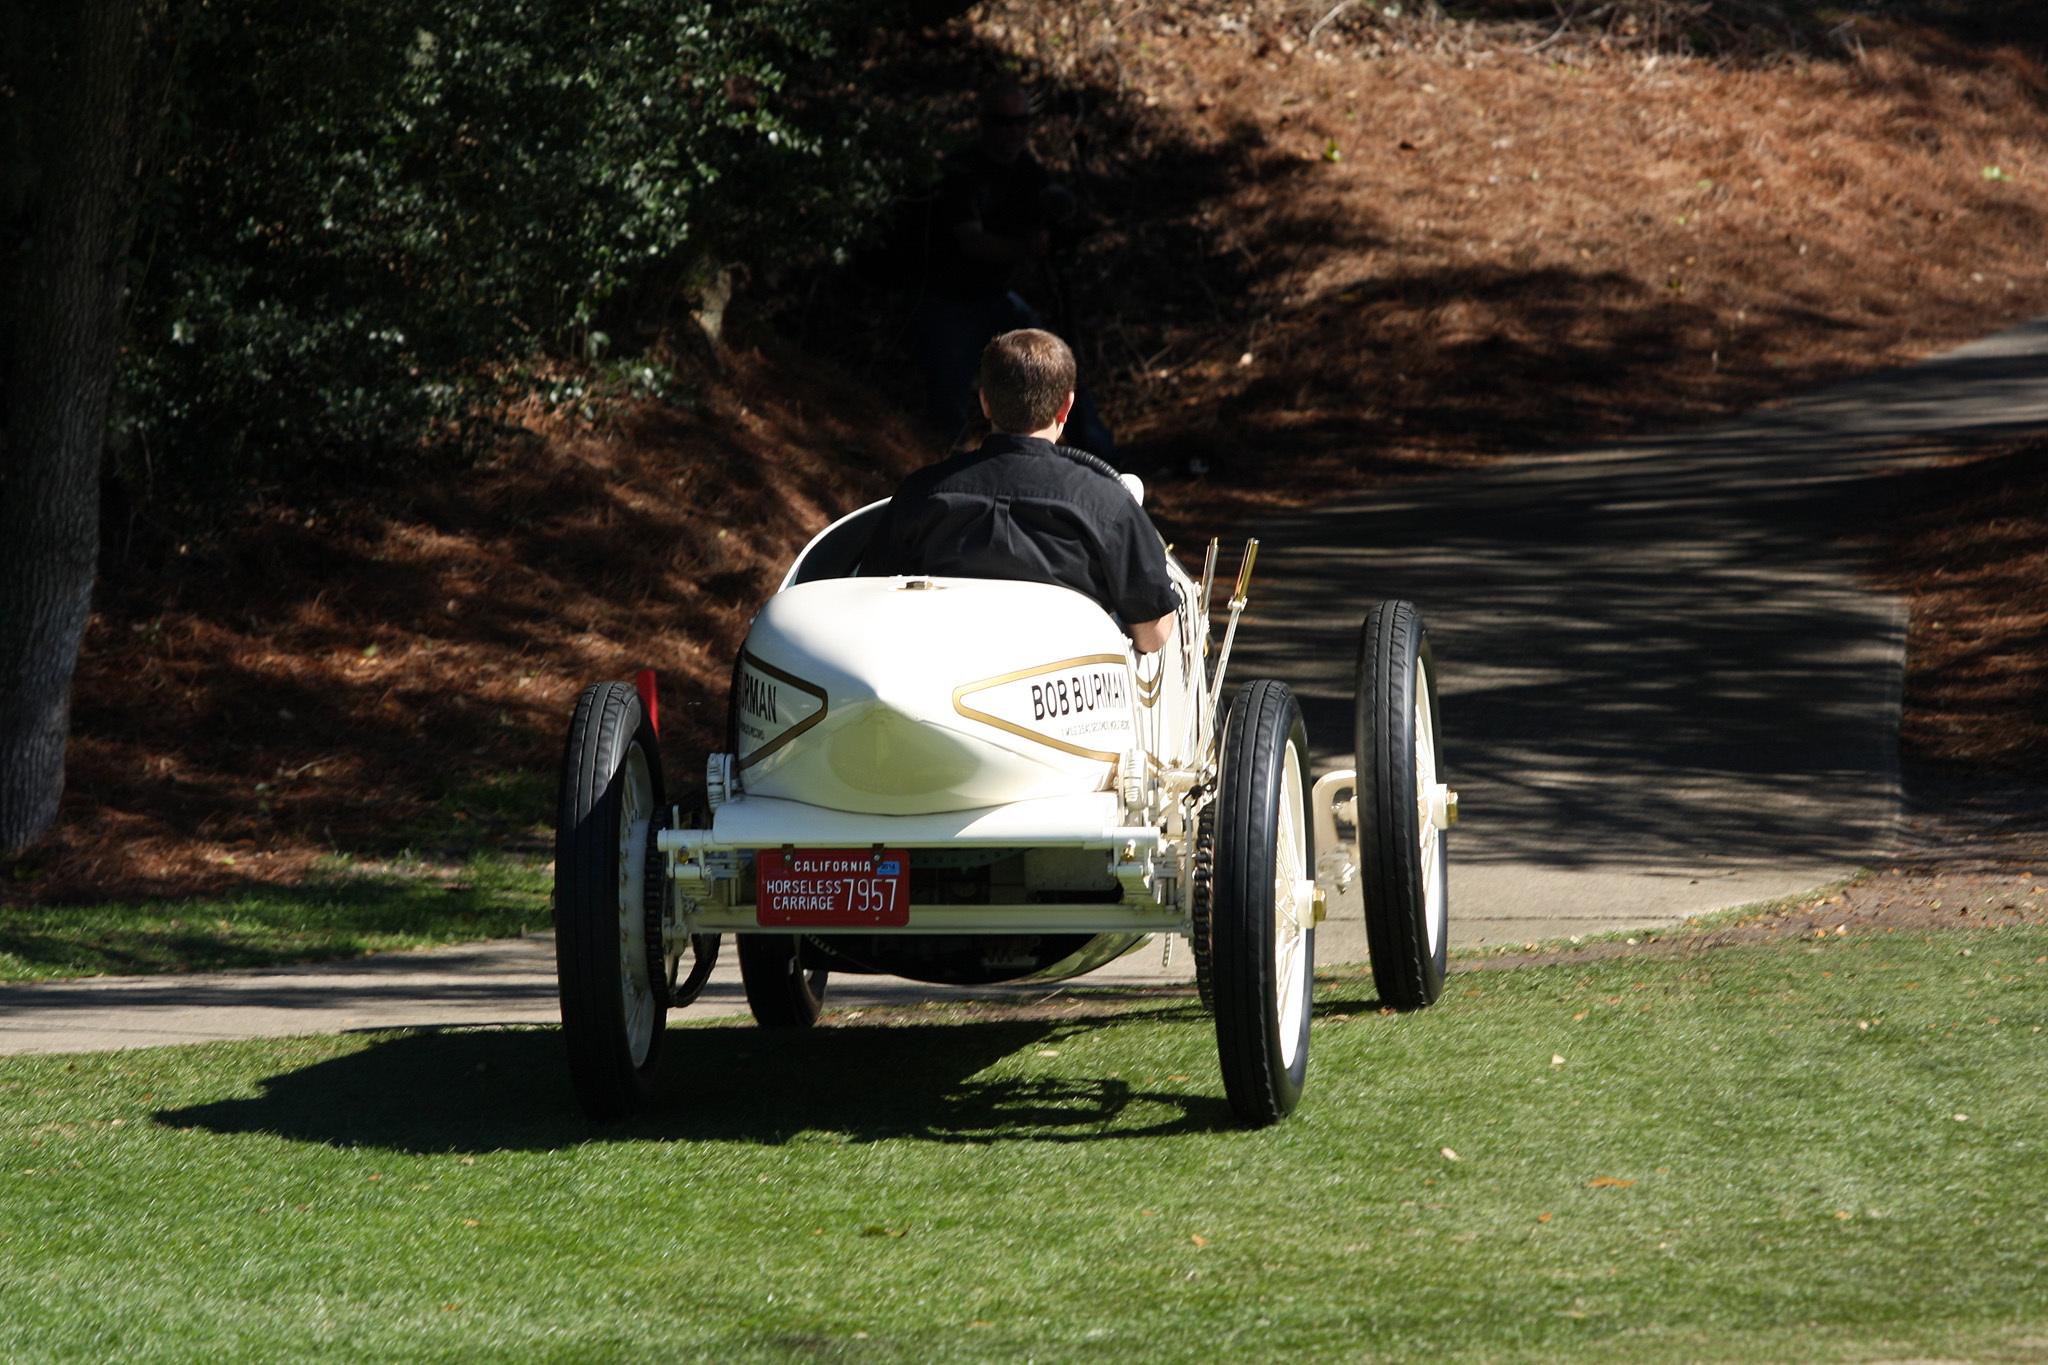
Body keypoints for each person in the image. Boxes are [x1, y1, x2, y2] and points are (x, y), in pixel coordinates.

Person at [864, 329, 1176, 654]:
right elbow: (1153, 635)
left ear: (985, 402)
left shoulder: (920, 493)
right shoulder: (1107, 502)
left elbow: (869, 595)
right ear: (1066, 406)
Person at [908, 82, 1117, 463]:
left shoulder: (1028, 170)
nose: (1015, 131)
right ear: (985, 123)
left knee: (1057, 369)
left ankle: (1106, 464)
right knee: (948, 401)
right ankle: (940, 482)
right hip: (950, 303)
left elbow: (1056, 205)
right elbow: (970, 240)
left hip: (998, 298)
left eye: (1023, 121)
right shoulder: (961, 172)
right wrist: (1024, 248)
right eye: (1005, 122)